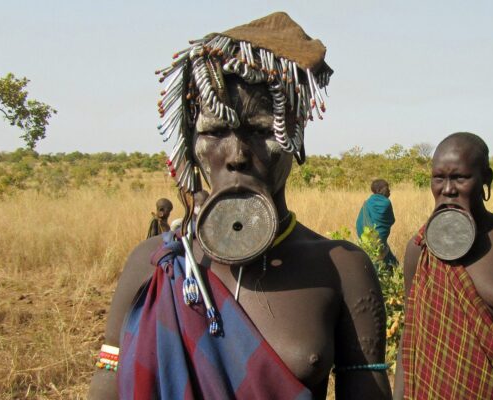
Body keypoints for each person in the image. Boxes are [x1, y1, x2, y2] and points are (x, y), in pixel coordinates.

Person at [89, 12, 391, 399]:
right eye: (214, 131)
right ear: (188, 145)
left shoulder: (341, 267)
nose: (236, 155)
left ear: (295, 137)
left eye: (262, 131)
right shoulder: (153, 264)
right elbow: (107, 385)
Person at [394, 132, 493, 399]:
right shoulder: (420, 249)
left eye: (460, 177)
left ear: (486, 179)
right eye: (439, 178)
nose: (447, 189)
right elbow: (409, 336)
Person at [356, 179, 397, 266]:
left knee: (373, 256)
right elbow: (391, 220)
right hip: (380, 239)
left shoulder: (367, 202)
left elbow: (359, 222)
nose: (389, 190)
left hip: (366, 239)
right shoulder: (386, 202)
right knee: (389, 263)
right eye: (387, 188)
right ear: (379, 190)